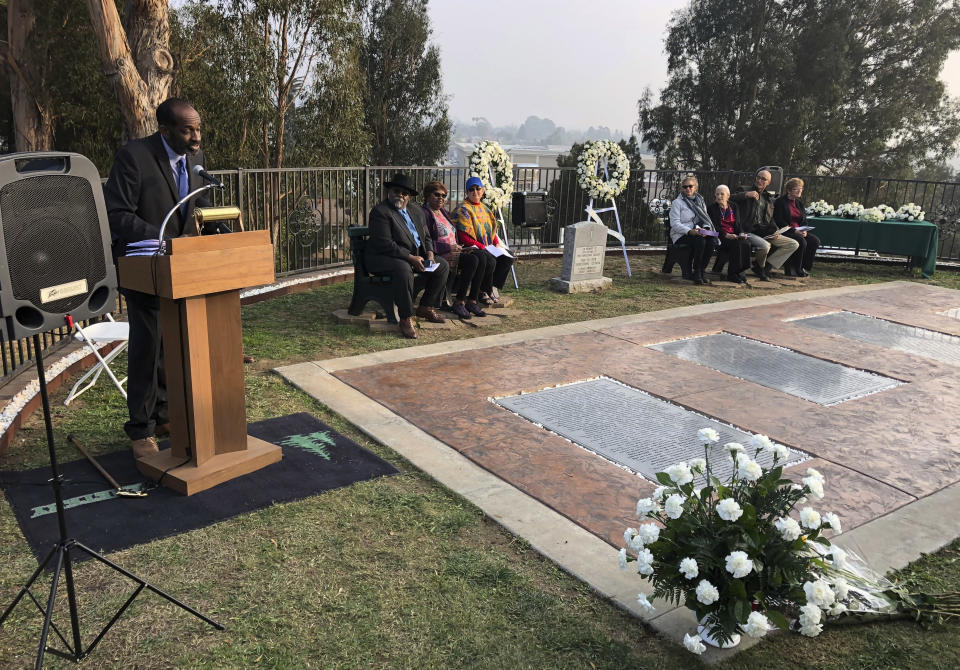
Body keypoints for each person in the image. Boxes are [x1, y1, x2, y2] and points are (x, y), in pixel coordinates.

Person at [104, 97, 211, 460]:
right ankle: (141, 429)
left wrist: (220, 231)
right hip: (144, 267)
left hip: (181, 268)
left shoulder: (196, 159)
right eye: (187, 130)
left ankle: (165, 415)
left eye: (198, 129)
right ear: (164, 129)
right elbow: (117, 214)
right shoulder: (134, 157)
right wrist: (164, 239)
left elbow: (197, 209)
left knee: (174, 343)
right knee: (148, 347)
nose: (196, 137)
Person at [366, 173, 449, 339]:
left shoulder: (415, 211)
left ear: (409, 196)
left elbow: (426, 237)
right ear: (389, 191)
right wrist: (411, 258)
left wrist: (430, 253)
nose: (400, 195)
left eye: (405, 193)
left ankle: (426, 306)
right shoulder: (380, 212)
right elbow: (385, 244)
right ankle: (405, 318)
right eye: (396, 191)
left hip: (413, 256)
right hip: (383, 257)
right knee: (403, 270)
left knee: (442, 266)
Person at [421, 180, 485, 319]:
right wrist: (449, 247)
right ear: (428, 195)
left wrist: (462, 248)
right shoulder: (425, 213)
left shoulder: (442, 211)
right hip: (439, 254)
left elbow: (452, 234)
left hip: (454, 251)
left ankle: (472, 300)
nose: (441, 198)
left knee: (481, 256)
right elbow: (426, 241)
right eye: (437, 194)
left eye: (444, 196)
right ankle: (459, 301)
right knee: (472, 261)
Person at [450, 176, 513, 305]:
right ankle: (483, 291)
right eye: (471, 189)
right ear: (467, 192)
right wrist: (482, 246)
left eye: (478, 189)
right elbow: (463, 236)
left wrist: (496, 244)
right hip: (470, 248)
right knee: (489, 259)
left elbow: (490, 231)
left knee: (508, 257)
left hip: (486, 246)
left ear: (482, 191)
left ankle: (490, 288)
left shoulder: (485, 209)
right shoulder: (463, 209)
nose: (475, 192)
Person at [731, 169, 798, 280]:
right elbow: (728, 198)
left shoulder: (768, 198)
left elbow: (770, 218)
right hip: (748, 230)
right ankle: (761, 268)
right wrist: (746, 195)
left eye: (763, 179)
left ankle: (764, 266)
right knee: (765, 246)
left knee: (793, 244)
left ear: (768, 183)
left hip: (765, 231)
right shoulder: (744, 189)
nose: (760, 180)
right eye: (758, 177)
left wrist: (776, 230)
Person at [668, 175, 718, 285]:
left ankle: (701, 270)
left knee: (712, 241)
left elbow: (705, 218)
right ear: (682, 188)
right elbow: (675, 224)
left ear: (695, 187)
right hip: (681, 234)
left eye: (690, 186)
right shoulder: (677, 203)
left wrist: (705, 229)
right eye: (685, 187)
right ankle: (696, 271)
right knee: (700, 241)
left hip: (698, 232)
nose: (687, 189)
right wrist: (690, 231)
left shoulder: (700, 201)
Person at [774, 177, 820, 277]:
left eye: (801, 188)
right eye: (796, 188)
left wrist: (805, 230)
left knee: (814, 241)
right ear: (789, 190)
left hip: (799, 230)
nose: (800, 190)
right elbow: (779, 220)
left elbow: (803, 220)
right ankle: (795, 268)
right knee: (801, 241)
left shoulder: (799, 203)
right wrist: (794, 230)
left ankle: (803, 266)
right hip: (786, 230)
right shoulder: (780, 202)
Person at [707, 185, 751, 284]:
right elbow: (713, 226)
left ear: (728, 196)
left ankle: (740, 271)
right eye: (717, 194)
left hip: (734, 235)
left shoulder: (734, 206)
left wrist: (741, 233)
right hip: (720, 236)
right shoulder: (712, 208)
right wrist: (726, 234)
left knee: (746, 242)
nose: (719, 196)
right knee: (736, 245)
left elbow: (738, 224)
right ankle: (732, 274)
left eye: (722, 194)